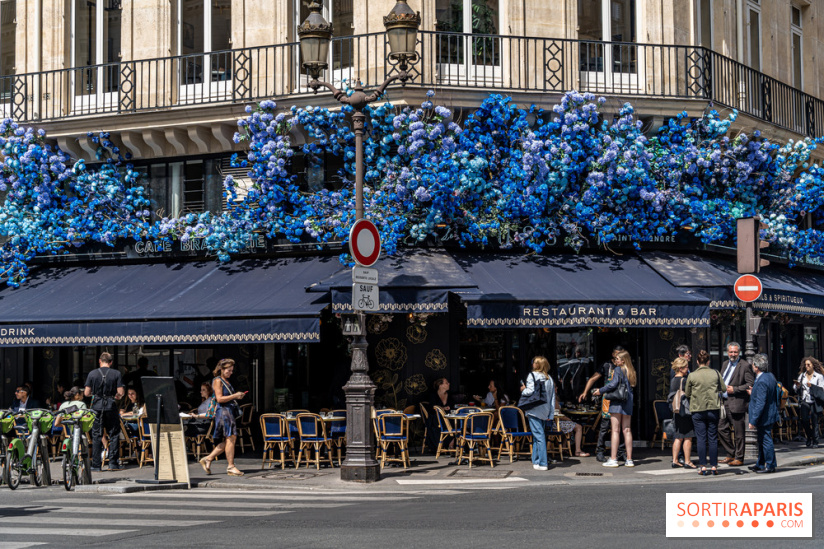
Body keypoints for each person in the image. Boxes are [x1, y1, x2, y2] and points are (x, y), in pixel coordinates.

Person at [578, 346, 627, 463]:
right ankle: (600, 451)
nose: (617, 357)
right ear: (613, 354)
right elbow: (593, 379)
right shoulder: (606, 365)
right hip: (608, 398)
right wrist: (585, 392)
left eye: (620, 354)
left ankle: (621, 452)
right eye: (616, 354)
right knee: (605, 426)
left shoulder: (624, 367)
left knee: (621, 427)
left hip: (620, 398)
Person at [199, 358, 246, 477]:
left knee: (230, 439)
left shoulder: (225, 381)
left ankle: (208, 459)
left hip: (227, 411)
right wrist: (235, 395)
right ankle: (231, 466)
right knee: (231, 438)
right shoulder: (217, 381)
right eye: (228, 370)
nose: (231, 372)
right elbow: (219, 399)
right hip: (224, 411)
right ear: (221, 369)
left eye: (231, 370)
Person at [685, 350, 725, 476]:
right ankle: (714, 466)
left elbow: (687, 393)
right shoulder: (715, 373)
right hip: (713, 408)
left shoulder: (692, 375)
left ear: (697, 362)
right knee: (712, 437)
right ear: (708, 362)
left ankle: (702, 466)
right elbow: (723, 388)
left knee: (701, 438)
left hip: (698, 408)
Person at [84, 352, 125, 472]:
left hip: (97, 406)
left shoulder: (92, 374)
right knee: (114, 434)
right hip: (110, 405)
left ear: (99, 361)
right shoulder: (116, 373)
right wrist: (116, 396)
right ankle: (113, 463)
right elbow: (121, 392)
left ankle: (96, 465)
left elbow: (86, 393)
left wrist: (96, 395)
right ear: (111, 362)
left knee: (96, 435)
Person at [594, 350, 636, 467]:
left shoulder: (618, 369)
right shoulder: (631, 370)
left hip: (617, 402)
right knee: (627, 430)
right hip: (628, 401)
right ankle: (629, 459)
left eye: (617, 359)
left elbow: (613, 384)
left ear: (623, 360)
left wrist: (600, 391)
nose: (615, 361)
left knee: (615, 430)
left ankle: (613, 459)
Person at [717, 342, 754, 467]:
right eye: (731, 352)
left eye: (735, 352)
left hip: (737, 402)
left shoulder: (744, 365)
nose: (733, 354)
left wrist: (735, 389)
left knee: (739, 432)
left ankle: (739, 457)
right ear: (727, 352)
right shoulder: (725, 364)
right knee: (721, 428)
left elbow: (750, 384)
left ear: (739, 352)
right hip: (724, 402)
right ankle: (730, 453)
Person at [519, 356, 555, 471]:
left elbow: (529, 391)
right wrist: (551, 414)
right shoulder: (549, 378)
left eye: (534, 362)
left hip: (534, 410)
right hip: (545, 411)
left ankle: (543, 463)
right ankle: (536, 461)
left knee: (539, 437)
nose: (532, 364)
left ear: (538, 365)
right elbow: (552, 397)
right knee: (538, 436)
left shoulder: (532, 375)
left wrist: (523, 389)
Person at [747, 353, 780, 474]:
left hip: (764, 416)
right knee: (761, 440)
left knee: (765, 440)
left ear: (756, 366)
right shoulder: (769, 376)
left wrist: (753, 420)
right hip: (769, 413)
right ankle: (760, 463)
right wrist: (753, 393)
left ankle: (770, 465)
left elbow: (761, 402)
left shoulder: (761, 381)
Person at [668, 357, 696, 469]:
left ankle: (675, 460)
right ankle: (687, 461)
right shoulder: (684, 380)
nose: (687, 369)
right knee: (688, 437)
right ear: (680, 368)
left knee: (678, 436)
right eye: (686, 367)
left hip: (676, 411)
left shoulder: (673, 380)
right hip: (685, 410)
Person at [794, 356, 824, 448]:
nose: (806, 366)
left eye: (808, 365)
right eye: (805, 365)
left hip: (814, 401)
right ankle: (809, 436)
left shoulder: (819, 376)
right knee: (804, 420)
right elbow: (795, 388)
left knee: (815, 421)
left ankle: (815, 441)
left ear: (813, 366)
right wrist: (797, 386)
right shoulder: (802, 375)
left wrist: (812, 386)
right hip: (805, 400)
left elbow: (822, 389)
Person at [554, 388, 589, 457]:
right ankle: (578, 451)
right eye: (555, 387)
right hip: (555, 424)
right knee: (578, 427)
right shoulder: (553, 400)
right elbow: (558, 415)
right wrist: (569, 419)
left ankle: (564, 447)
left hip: (553, 423)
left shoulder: (552, 398)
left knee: (570, 426)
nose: (557, 388)